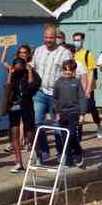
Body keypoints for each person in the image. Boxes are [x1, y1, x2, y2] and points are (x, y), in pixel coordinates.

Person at [32, 25, 73, 163]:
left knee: (57, 126)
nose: (48, 40)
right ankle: (44, 151)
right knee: (37, 123)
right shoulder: (38, 51)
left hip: (57, 95)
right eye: (46, 37)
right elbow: (33, 68)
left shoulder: (64, 53)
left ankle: (62, 153)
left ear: (56, 37)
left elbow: (69, 74)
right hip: (40, 92)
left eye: (51, 37)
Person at [3, 56, 40, 173]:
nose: (18, 70)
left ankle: (38, 154)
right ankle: (18, 162)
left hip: (26, 105)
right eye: (16, 68)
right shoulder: (13, 75)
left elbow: (31, 87)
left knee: (29, 133)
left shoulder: (30, 74)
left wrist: (29, 71)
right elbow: (8, 87)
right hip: (14, 106)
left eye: (20, 68)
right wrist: (10, 72)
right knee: (14, 133)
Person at [52, 60, 87, 167]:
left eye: (70, 70)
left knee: (71, 134)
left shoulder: (76, 82)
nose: (68, 72)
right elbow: (55, 99)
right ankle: (68, 159)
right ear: (62, 69)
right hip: (62, 113)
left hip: (74, 112)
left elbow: (82, 98)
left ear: (74, 71)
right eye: (66, 69)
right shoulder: (58, 82)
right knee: (64, 136)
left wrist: (82, 114)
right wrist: (57, 112)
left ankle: (78, 153)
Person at [72, 33, 102, 139]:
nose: (76, 42)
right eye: (75, 40)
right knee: (78, 111)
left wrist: (88, 89)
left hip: (87, 87)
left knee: (91, 108)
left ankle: (99, 126)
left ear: (83, 40)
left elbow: (91, 72)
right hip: (75, 87)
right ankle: (78, 134)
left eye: (78, 40)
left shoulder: (87, 54)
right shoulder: (71, 54)